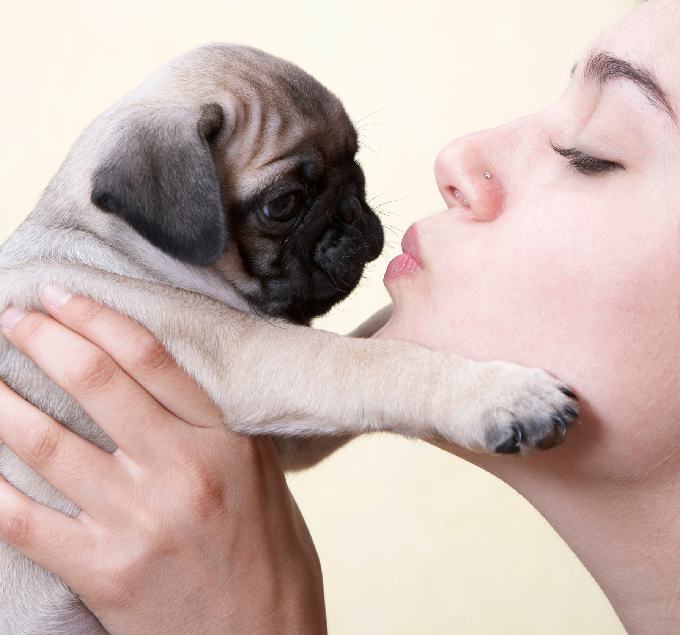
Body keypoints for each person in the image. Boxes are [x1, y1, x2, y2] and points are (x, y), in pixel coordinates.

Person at [0, 0, 676, 632]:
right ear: (169, 209)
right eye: (284, 205)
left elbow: (272, 401)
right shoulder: (67, 298)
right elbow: (265, 388)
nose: (458, 156)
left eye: (593, 153)